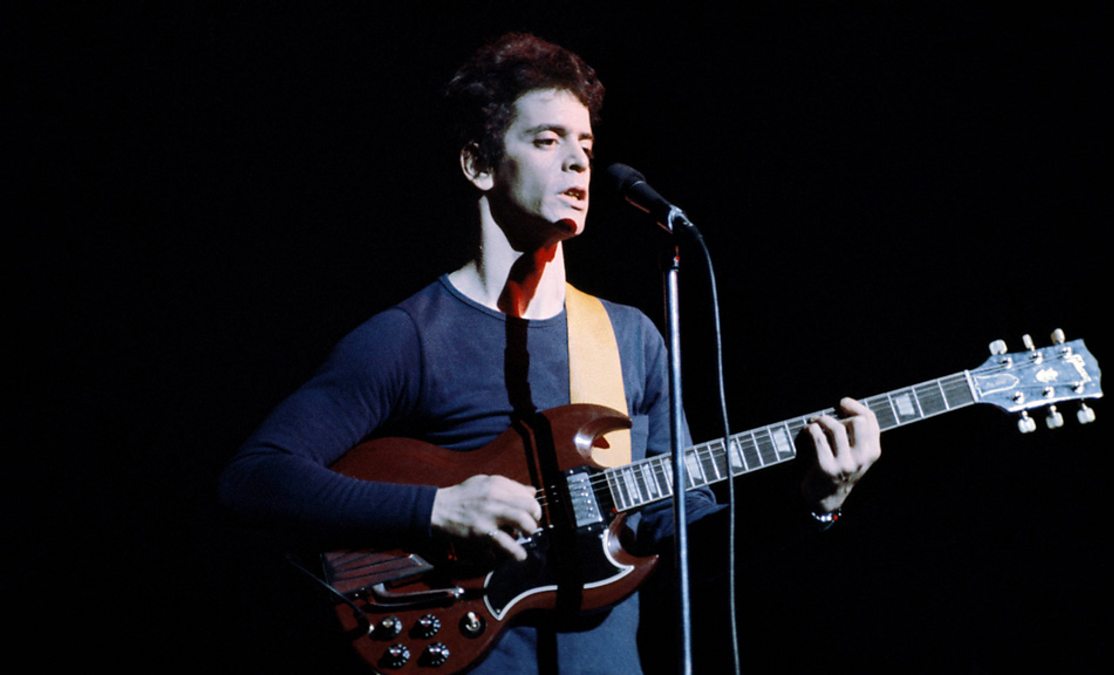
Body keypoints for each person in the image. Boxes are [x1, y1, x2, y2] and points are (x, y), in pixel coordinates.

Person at [219, 32, 881, 673]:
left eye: (585, 145)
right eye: (547, 140)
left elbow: (682, 536)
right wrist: (439, 509)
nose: (578, 162)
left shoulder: (629, 338)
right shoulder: (412, 335)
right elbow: (255, 477)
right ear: (479, 164)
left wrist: (815, 500)